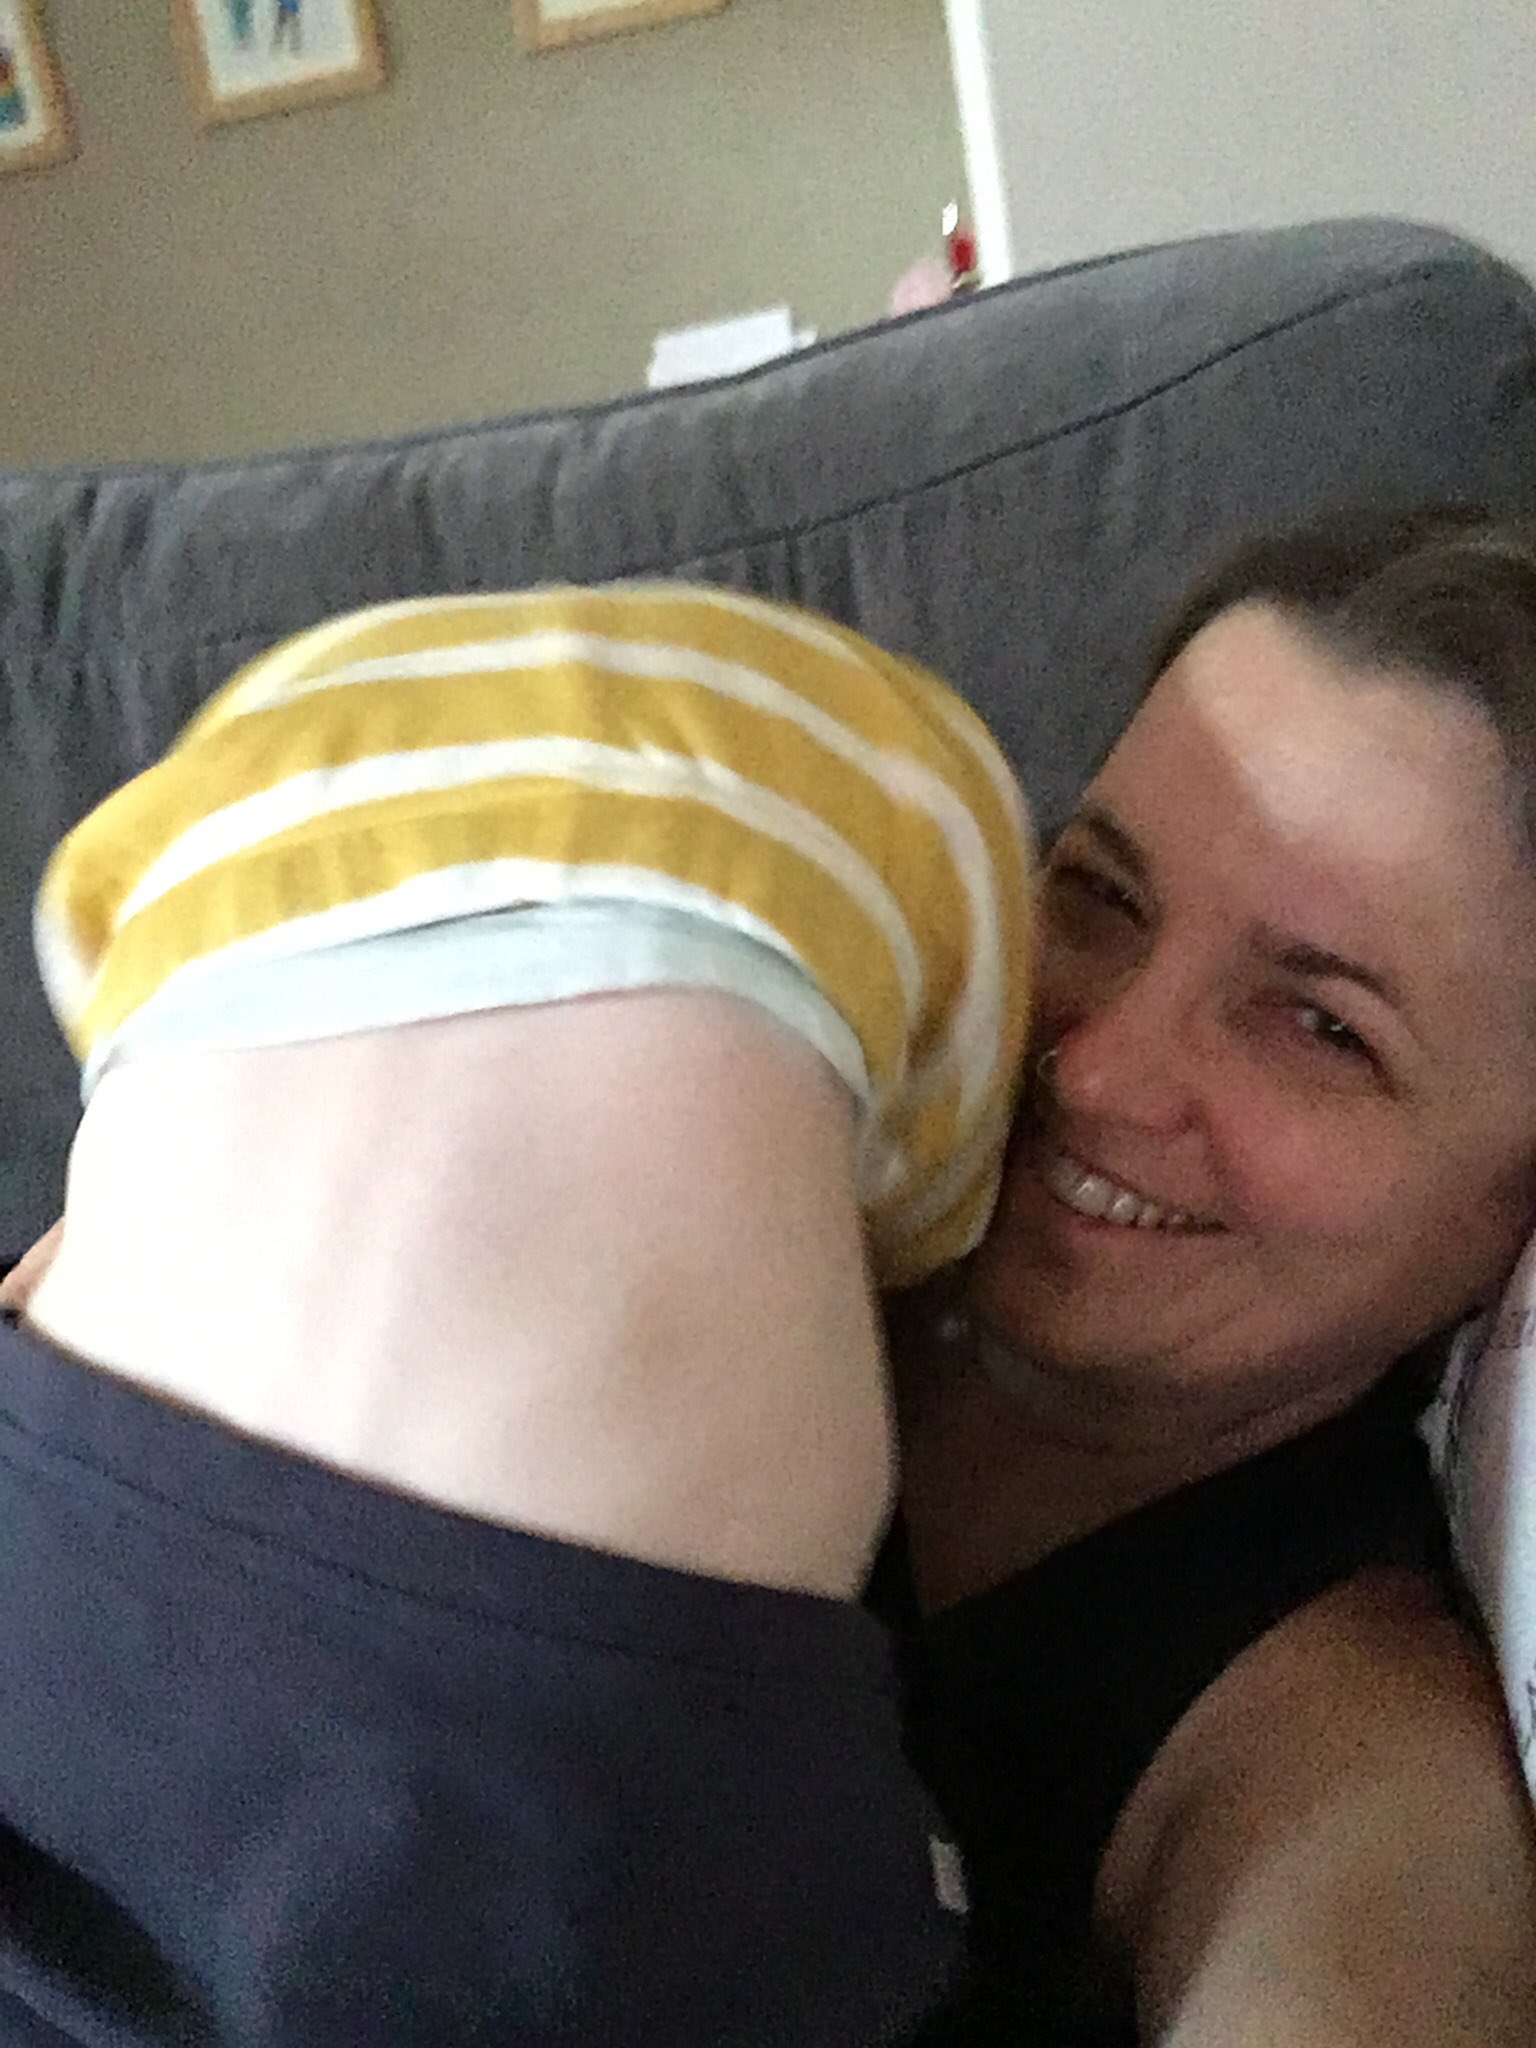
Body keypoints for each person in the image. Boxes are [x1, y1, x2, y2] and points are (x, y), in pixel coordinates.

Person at [0, 581, 1032, 2046]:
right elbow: (933, 1215)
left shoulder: (218, 800)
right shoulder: (928, 798)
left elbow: (107, 1032)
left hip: (68, 1512)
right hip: (555, 1716)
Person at [877, 506, 1536, 2044]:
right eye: (1102, 896)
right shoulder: (771, 1165)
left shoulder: (1343, 1776)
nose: (1092, 1068)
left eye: (1321, 1028)